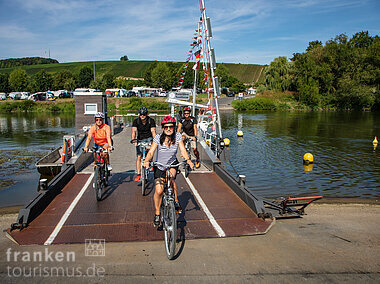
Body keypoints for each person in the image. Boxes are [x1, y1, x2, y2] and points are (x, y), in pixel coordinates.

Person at [143, 116, 194, 227]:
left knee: (171, 178)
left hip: (172, 164)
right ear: (163, 128)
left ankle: (174, 201)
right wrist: (147, 160)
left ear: (174, 127)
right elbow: (151, 152)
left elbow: (183, 150)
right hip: (160, 166)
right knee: (159, 190)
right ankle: (157, 213)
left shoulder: (178, 136)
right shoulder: (157, 138)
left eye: (171, 126)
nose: (168, 129)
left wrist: (188, 160)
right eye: (166, 127)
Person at [131, 107, 156, 182]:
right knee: (139, 156)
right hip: (140, 139)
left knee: (150, 151)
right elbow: (134, 131)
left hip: (149, 138)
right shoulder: (136, 121)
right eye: (141, 114)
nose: (142, 116)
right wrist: (134, 140)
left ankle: (150, 160)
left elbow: (153, 131)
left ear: (147, 114)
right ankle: (139, 174)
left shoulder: (151, 121)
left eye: (144, 114)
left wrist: (155, 141)